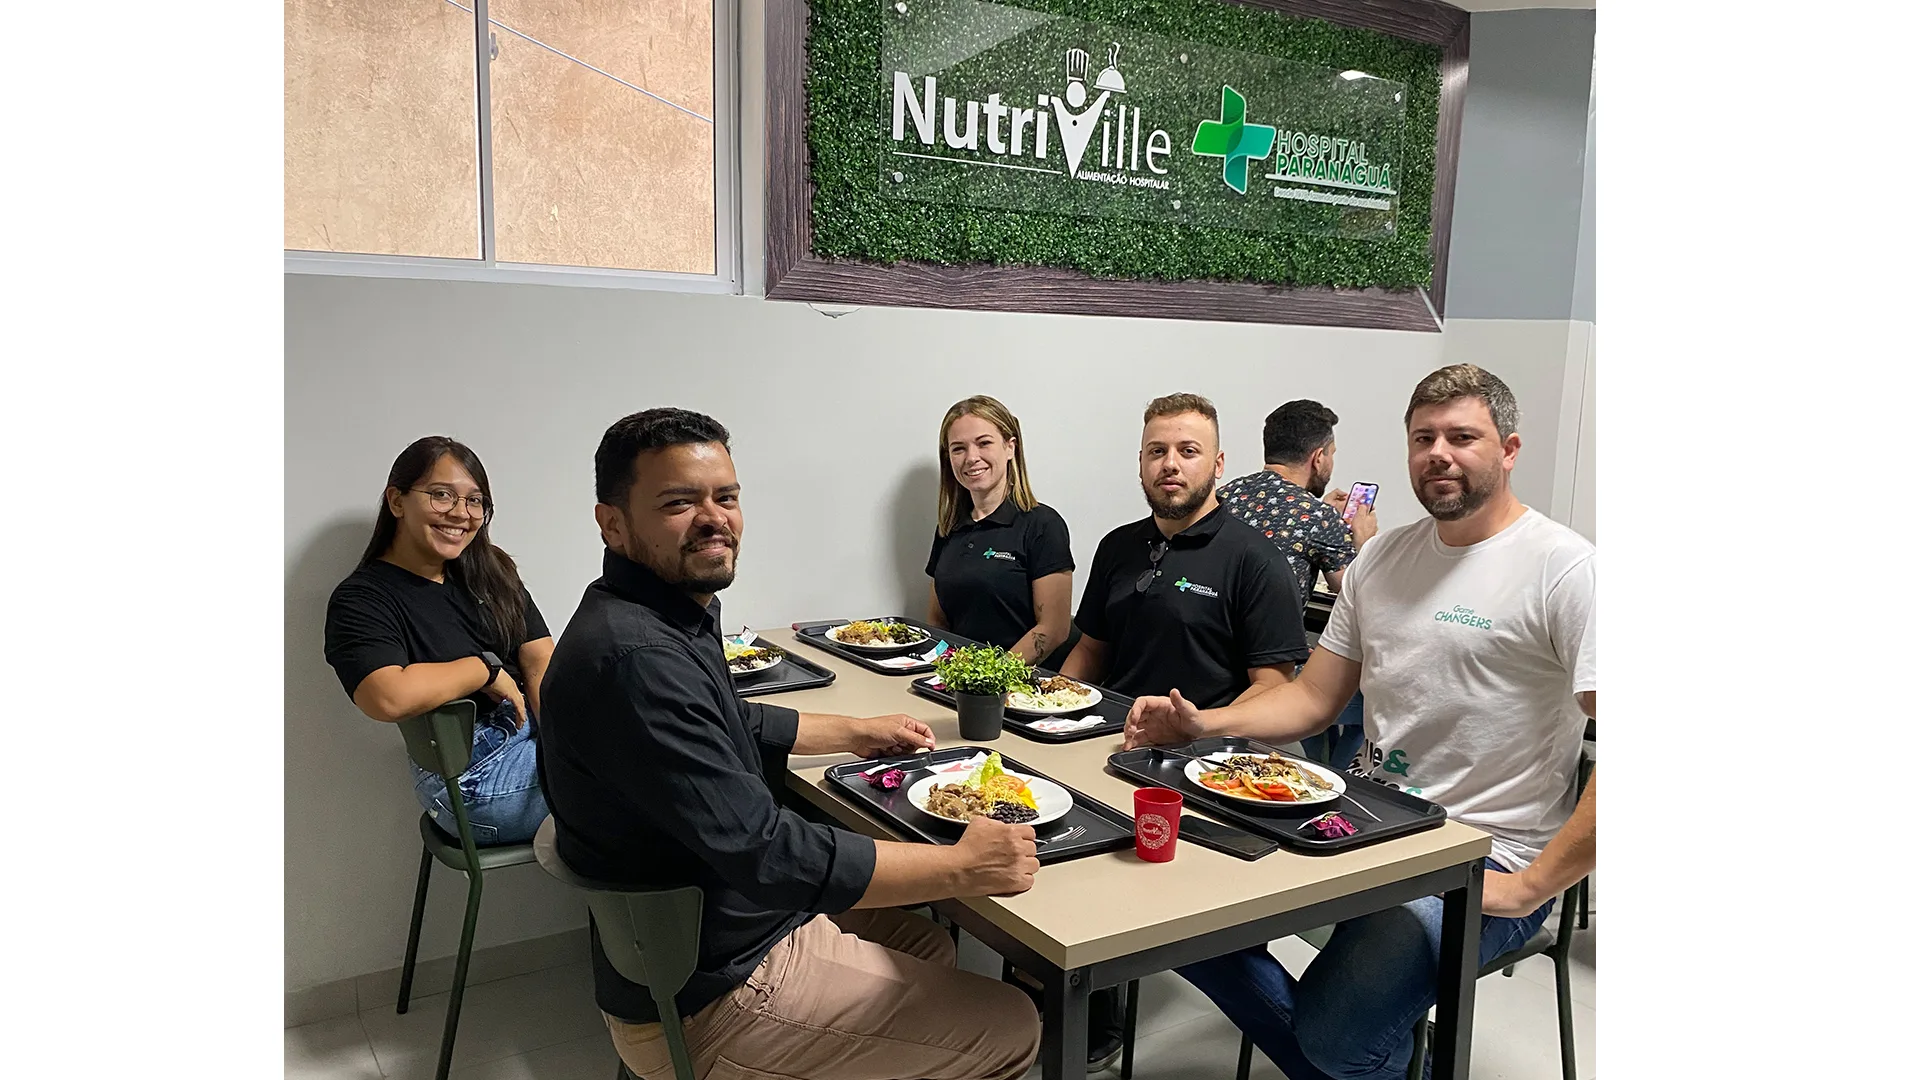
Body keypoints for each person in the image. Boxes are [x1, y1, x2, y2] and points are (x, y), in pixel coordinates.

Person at [537, 408, 1042, 1080]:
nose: (713, 517)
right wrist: (959, 867)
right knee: (1013, 1023)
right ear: (613, 524)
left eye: (726, 496)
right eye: (679, 503)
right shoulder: (638, 656)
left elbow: (735, 727)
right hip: (709, 995)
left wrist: (858, 731)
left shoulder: (657, 613)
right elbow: (767, 851)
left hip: (711, 935)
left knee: (924, 943)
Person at [1123, 365, 1597, 1080]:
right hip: (1365, 824)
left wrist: (1530, 887)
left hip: (1482, 858)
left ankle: (1358, 1052)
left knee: (1338, 1042)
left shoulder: (1565, 570)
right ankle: (1387, 1055)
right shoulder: (1383, 558)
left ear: (1509, 449)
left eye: (1463, 436)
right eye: (1423, 437)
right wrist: (1203, 725)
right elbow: (1312, 701)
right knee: (1172, 921)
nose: (1439, 452)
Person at [1058, 392, 1312, 1069]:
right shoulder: (1118, 546)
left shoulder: (1254, 560)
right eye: (1157, 451)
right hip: (1105, 750)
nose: (1171, 465)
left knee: (1191, 930)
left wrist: (1200, 728)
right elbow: (1090, 650)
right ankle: (1084, 1002)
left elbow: (1276, 688)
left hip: (1204, 772)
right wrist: (1052, 698)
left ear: (1218, 464)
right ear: (1141, 462)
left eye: (1187, 451)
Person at [323, 436, 553, 846]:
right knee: (648, 780)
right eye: (441, 495)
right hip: (471, 780)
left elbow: (539, 661)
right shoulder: (363, 598)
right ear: (397, 501)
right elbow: (385, 696)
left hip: (530, 743)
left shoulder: (491, 571)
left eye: (475, 501)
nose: (460, 514)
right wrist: (482, 670)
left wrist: (564, 743)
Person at [1217, 399, 1378, 768]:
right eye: (1332, 454)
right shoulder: (1320, 518)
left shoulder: (1222, 497)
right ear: (1319, 457)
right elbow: (1361, 598)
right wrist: (1362, 541)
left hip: (1211, 657)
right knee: (1366, 692)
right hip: (1268, 669)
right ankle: (1332, 770)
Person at [925, 395, 1077, 669]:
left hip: (1020, 690)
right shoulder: (949, 527)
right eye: (958, 449)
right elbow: (937, 621)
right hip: (957, 682)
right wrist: (947, 672)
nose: (972, 458)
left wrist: (991, 678)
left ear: (1010, 447)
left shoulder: (1042, 525)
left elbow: (1053, 629)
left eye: (984, 443)